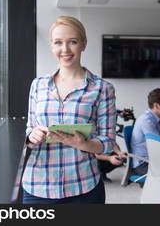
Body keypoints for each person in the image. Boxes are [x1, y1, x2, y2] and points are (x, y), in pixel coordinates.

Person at [22, 16, 116, 204]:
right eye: (58, 43)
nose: (65, 50)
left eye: (72, 42)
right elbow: (29, 129)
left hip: (83, 187)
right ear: (52, 46)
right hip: (39, 186)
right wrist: (32, 136)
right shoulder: (38, 85)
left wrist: (84, 144)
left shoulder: (102, 88)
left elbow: (108, 141)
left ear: (83, 44)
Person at [130, 88, 160, 176]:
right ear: (156, 105)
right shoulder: (147, 121)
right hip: (144, 164)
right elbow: (159, 145)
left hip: (154, 159)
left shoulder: (158, 117)